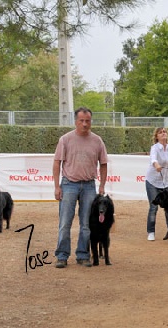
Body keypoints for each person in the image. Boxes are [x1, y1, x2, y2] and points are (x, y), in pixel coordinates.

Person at [53, 107, 108, 268]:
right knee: (65, 222)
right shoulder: (65, 139)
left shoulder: (97, 141)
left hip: (89, 186)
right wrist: (57, 186)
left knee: (87, 223)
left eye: (87, 121)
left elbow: (103, 164)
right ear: (76, 121)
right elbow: (57, 163)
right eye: (81, 121)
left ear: (91, 121)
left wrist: (102, 185)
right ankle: (62, 256)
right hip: (69, 184)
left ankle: (83, 255)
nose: (84, 124)